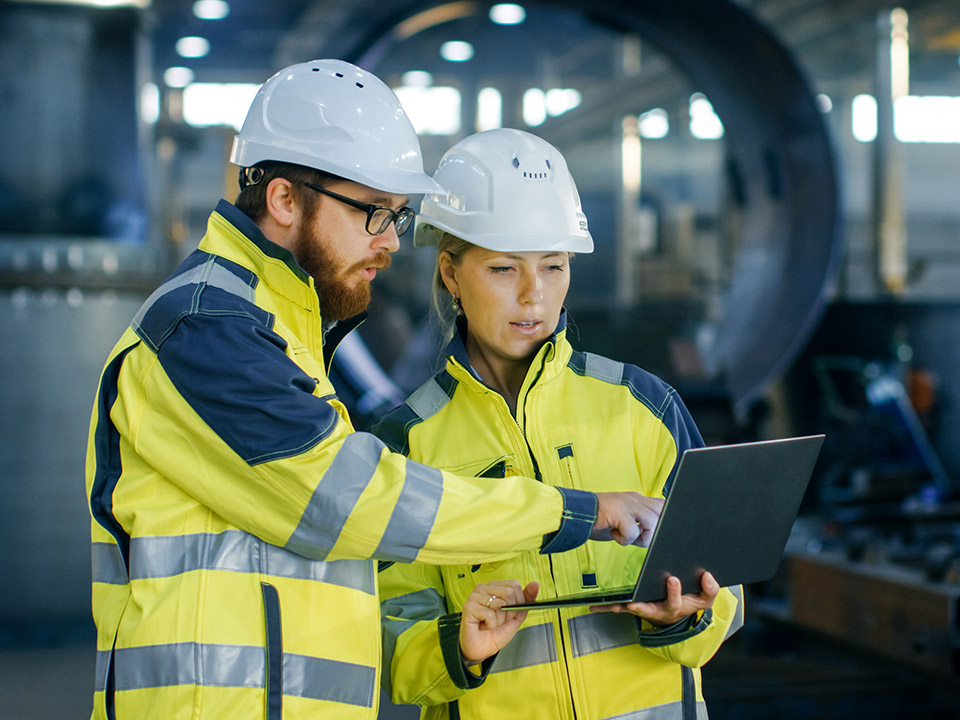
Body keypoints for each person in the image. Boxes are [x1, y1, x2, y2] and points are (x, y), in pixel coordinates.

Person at [84, 60, 665, 720]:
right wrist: (571, 511)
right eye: (373, 212)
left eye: (396, 214)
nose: (391, 241)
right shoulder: (206, 327)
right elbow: (348, 500)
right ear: (283, 200)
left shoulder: (279, 328)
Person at [374, 128, 745, 720]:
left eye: (553, 266)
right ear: (450, 273)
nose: (534, 296)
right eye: (502, 269)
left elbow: (726, 583)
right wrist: (459, 649)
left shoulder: (644, 406)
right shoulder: (406, 444)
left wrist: (691, 614)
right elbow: (389, 640)